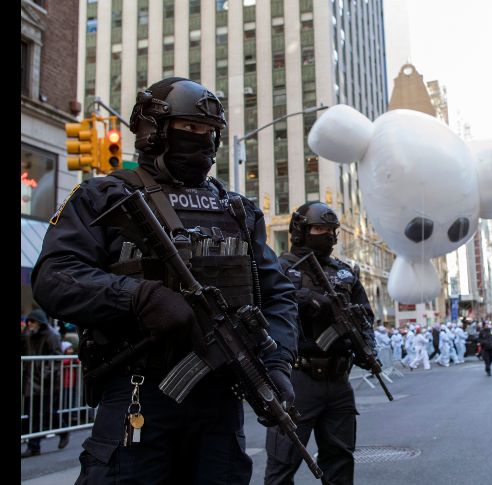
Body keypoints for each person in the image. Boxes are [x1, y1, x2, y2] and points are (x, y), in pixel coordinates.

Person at [32, 78, 298, 483]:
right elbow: (54, 277)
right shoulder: (102, 197)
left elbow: (277, 294)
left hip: (220, 402)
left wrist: (277, 362)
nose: (201, 141)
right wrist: (136, 297)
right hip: (138, 393)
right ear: (152, 133)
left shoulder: (239, 212)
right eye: (188, 129)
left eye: (209, 132)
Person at [265, 201, 376, 484]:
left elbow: (365, 317)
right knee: (283, 463)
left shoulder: (345, 272)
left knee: (340, 461)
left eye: (330, 230)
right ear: (300, 231)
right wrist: (306, 299)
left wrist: (368, 348)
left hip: (339, 380)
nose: (326, 235)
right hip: (297, 378)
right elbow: (263, 307)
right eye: (318, 228)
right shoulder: (280, 268)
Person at [20, 309, 68, 457]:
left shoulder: (51, 335)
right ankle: (34, 446)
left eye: (32, 321)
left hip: (46, 383)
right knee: (31, 413)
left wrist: (45, 374)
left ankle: (61, 431)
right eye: (28, 321)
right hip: (30, 381)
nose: (30, 324)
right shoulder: (27, 336)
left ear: (40, 322)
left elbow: (57, 357)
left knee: (45, 412)